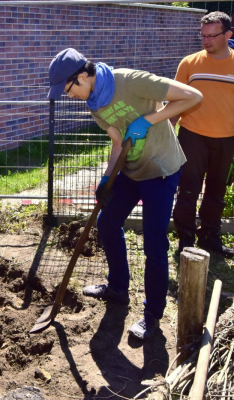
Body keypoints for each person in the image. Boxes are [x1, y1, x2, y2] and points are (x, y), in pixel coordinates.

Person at [48, 48, 202, 339]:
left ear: (83, 75)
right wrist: (107, 179)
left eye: (67, 89)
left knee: (154, 244)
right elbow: (118, 144)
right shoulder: (94, 102)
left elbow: (194, 97)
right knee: (106, 223)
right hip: (131, 170)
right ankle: (118, 287)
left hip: (161, 170)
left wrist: (149, 120)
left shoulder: (130, 81)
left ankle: (152, 314)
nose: (68, 96)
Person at [171, 11, 234, 258]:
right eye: (203, 36)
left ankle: (210, 237)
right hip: (192, 136)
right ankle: (186, 240)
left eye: (212, 36)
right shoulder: (190, 63)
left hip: (226, 138)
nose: (206, 41)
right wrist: (167, 131)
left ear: (228, 35)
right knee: (188, 189)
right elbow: (176, 100)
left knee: (216, 191)